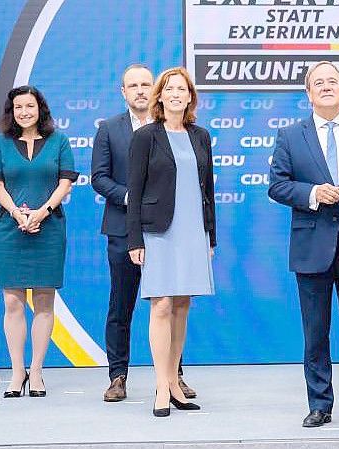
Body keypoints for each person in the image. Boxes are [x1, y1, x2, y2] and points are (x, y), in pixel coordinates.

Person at [268, 61, 339, 429]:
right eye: (318, 82)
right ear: (308, 93)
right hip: (311, 249)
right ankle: (319, 404)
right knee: (315, 333)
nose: (326, 87)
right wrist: (313, 193)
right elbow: (277, 185)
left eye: (332, 81)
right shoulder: (290, 135)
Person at [92, 64, 197, 402]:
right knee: (121, 305)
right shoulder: (109, 129)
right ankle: (117, 376)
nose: (139, 90)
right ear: (123, 92)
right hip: (124, 230)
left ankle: (173, 377)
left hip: (168, 232)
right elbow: (99, 176)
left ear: (156, 89)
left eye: (145, 84)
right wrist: (132, 199)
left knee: (172, 302)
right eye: (132, 85)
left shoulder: (173, 127)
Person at [126, 67, 213, 417]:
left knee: (181, 306)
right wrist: (135, 238)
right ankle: (162, 385)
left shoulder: (201, 136)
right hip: (158, 231)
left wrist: (211, 235)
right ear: (160, 96)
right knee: (161, 305)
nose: (177, 94)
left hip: (194, 231)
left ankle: (176, 383)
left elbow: (208, 190)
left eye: (183, 89)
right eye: (170, 89)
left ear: (190, 97)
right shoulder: (147, 136)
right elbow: (135, 190)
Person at [0, 85, 78, 398]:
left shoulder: (59, 140)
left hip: (48, 228)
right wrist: (17, 214)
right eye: (18, 107)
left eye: (30, 106)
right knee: (12, 301)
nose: (24, 112)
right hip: (10, 228)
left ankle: (36, 371)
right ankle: (17, 371)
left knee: (43, 301)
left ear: (41, 109)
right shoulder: (0, 142)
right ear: (11, 112)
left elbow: (65, 183)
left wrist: (42, 212)